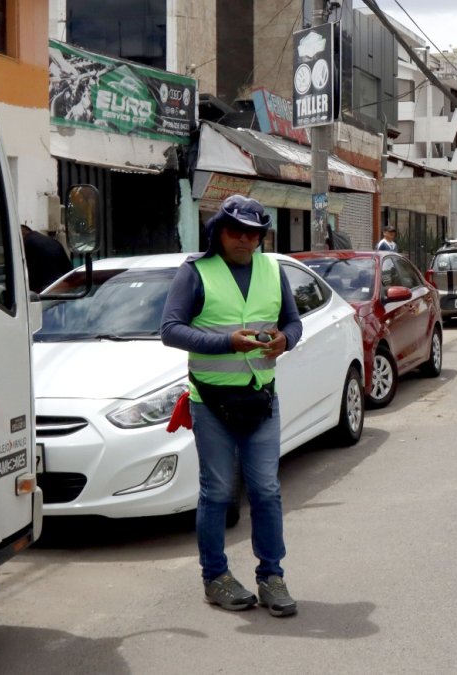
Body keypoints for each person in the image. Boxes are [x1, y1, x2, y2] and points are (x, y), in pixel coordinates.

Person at [160, 195, 303, 618]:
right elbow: (170, 329)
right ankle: (215, 577)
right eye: (236, 231)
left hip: (261, 398)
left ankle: (271, 576)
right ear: (218, 232)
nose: (245, 240)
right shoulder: (195, 272)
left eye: (253, 234)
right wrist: (227, 342)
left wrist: (286, 340)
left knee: (266, 490)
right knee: (219, 492)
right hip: (211, 402)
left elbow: (293, 322)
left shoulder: (272, 270)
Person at [21, 225, 72, 293]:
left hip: (42, 290)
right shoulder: (53, 242)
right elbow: (68, 269)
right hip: (61, 287)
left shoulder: (26, 244)